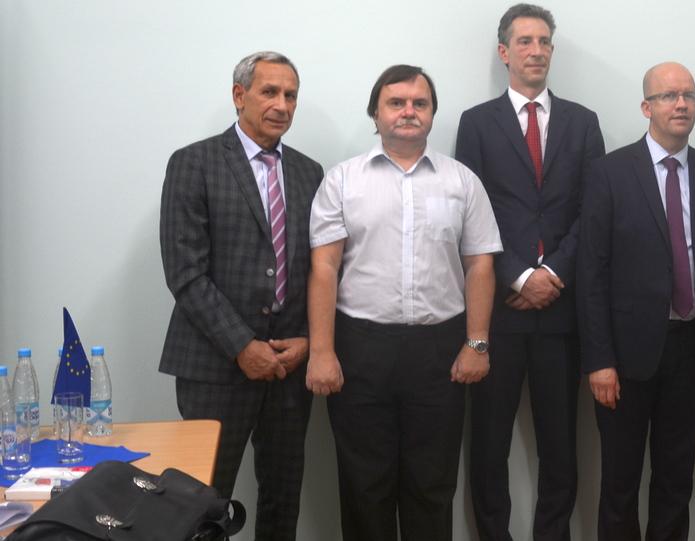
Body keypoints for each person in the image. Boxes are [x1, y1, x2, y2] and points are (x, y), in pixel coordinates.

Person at [306, 64, 503, 541]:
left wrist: (477, 343)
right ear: (375, 114)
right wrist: (322, 351)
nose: (408, 111)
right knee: (364, 486)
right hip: (360, 348)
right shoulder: (343, 180)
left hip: (440, 351)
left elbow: (480, 266)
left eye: (420, 103)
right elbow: (324, 268)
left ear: (433, 113)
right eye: (396, 103)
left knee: (432, 485)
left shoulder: (462, 181)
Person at [455, 4, 605, 539]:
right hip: (496, 313)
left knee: (561, 448)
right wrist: (519, 276)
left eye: (544, 41)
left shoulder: (583, 122)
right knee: (488, 446)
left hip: (562, 314)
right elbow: (468, 213)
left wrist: (553, 274)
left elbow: (594, 211)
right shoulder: (476, 123)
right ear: (505, 52)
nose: (536, 50)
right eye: (524, 41)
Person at [158, 51, 322, 541]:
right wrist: (241, 346)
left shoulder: (310, 173)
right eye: (269, 92)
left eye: (290, 95)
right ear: (239, 95)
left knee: (283, 500)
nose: (282, 105)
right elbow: (185, 272)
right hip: (215, 366)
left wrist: (309, 339)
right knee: (203, 507)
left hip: (289, 368)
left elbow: (322, 269)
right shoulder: (194, 163)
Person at [577, 61, 695, 541]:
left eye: (689, 95)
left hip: (691, 349)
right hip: (625, 355)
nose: (681, 104)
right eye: (669, 96)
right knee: (620, 479)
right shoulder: (609, 172)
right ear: (646, 107)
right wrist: (599, 360)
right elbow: (591, 273)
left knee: (676, 478)